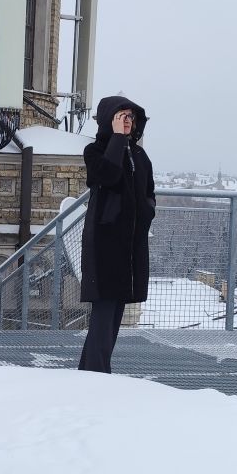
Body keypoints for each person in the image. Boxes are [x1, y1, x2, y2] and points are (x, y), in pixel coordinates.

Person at [78, 95, 155, 374]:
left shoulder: (139, 155)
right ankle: (98, 375)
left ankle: (89, 372)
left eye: (130, 117)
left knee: (114, 316)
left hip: (131, 246)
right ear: (109, 119)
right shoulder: (95, 151)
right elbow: (107, 177)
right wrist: (118, 140)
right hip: (104, 245)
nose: (127, 121)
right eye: (121, 116)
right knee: (103, 313)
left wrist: (147, 212)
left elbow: (149, 193)